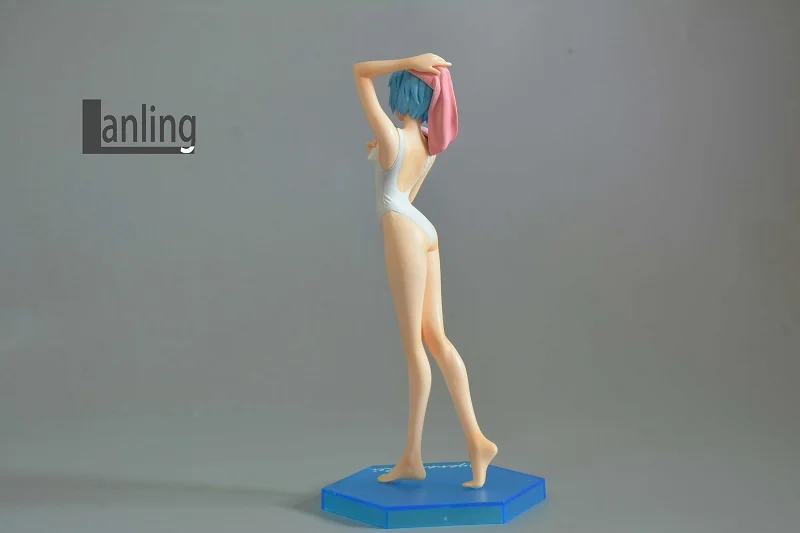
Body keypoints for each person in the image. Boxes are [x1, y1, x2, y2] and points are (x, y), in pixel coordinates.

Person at [352, 53, 497, 489]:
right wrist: (383, 156)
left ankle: (413, 456)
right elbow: (406, 192)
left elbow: (359, 72)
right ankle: (475, 441)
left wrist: (410, 60)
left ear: (402, 94)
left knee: (413, 345)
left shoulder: (393, 138)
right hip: (423, 229)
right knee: (435, 337)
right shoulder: (429, 148)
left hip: (402, 232)